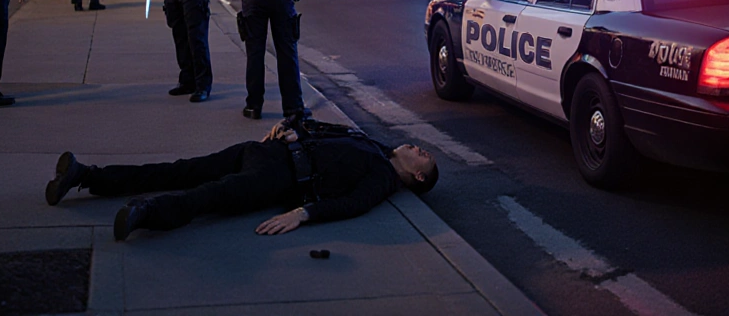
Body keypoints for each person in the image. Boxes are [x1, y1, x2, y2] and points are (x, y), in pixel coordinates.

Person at [44, 116, 439, 241]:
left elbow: (352, 205)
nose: (419, 147)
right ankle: (86, 176)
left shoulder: (382, 179)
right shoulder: (372, 143)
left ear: (417, 176)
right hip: (267, 151)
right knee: (180, 169)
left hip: (280, 177)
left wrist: (304, 214)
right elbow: (322, 126)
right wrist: (292, 126)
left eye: (424, 156)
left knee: (211, 194)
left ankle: (145, 214)